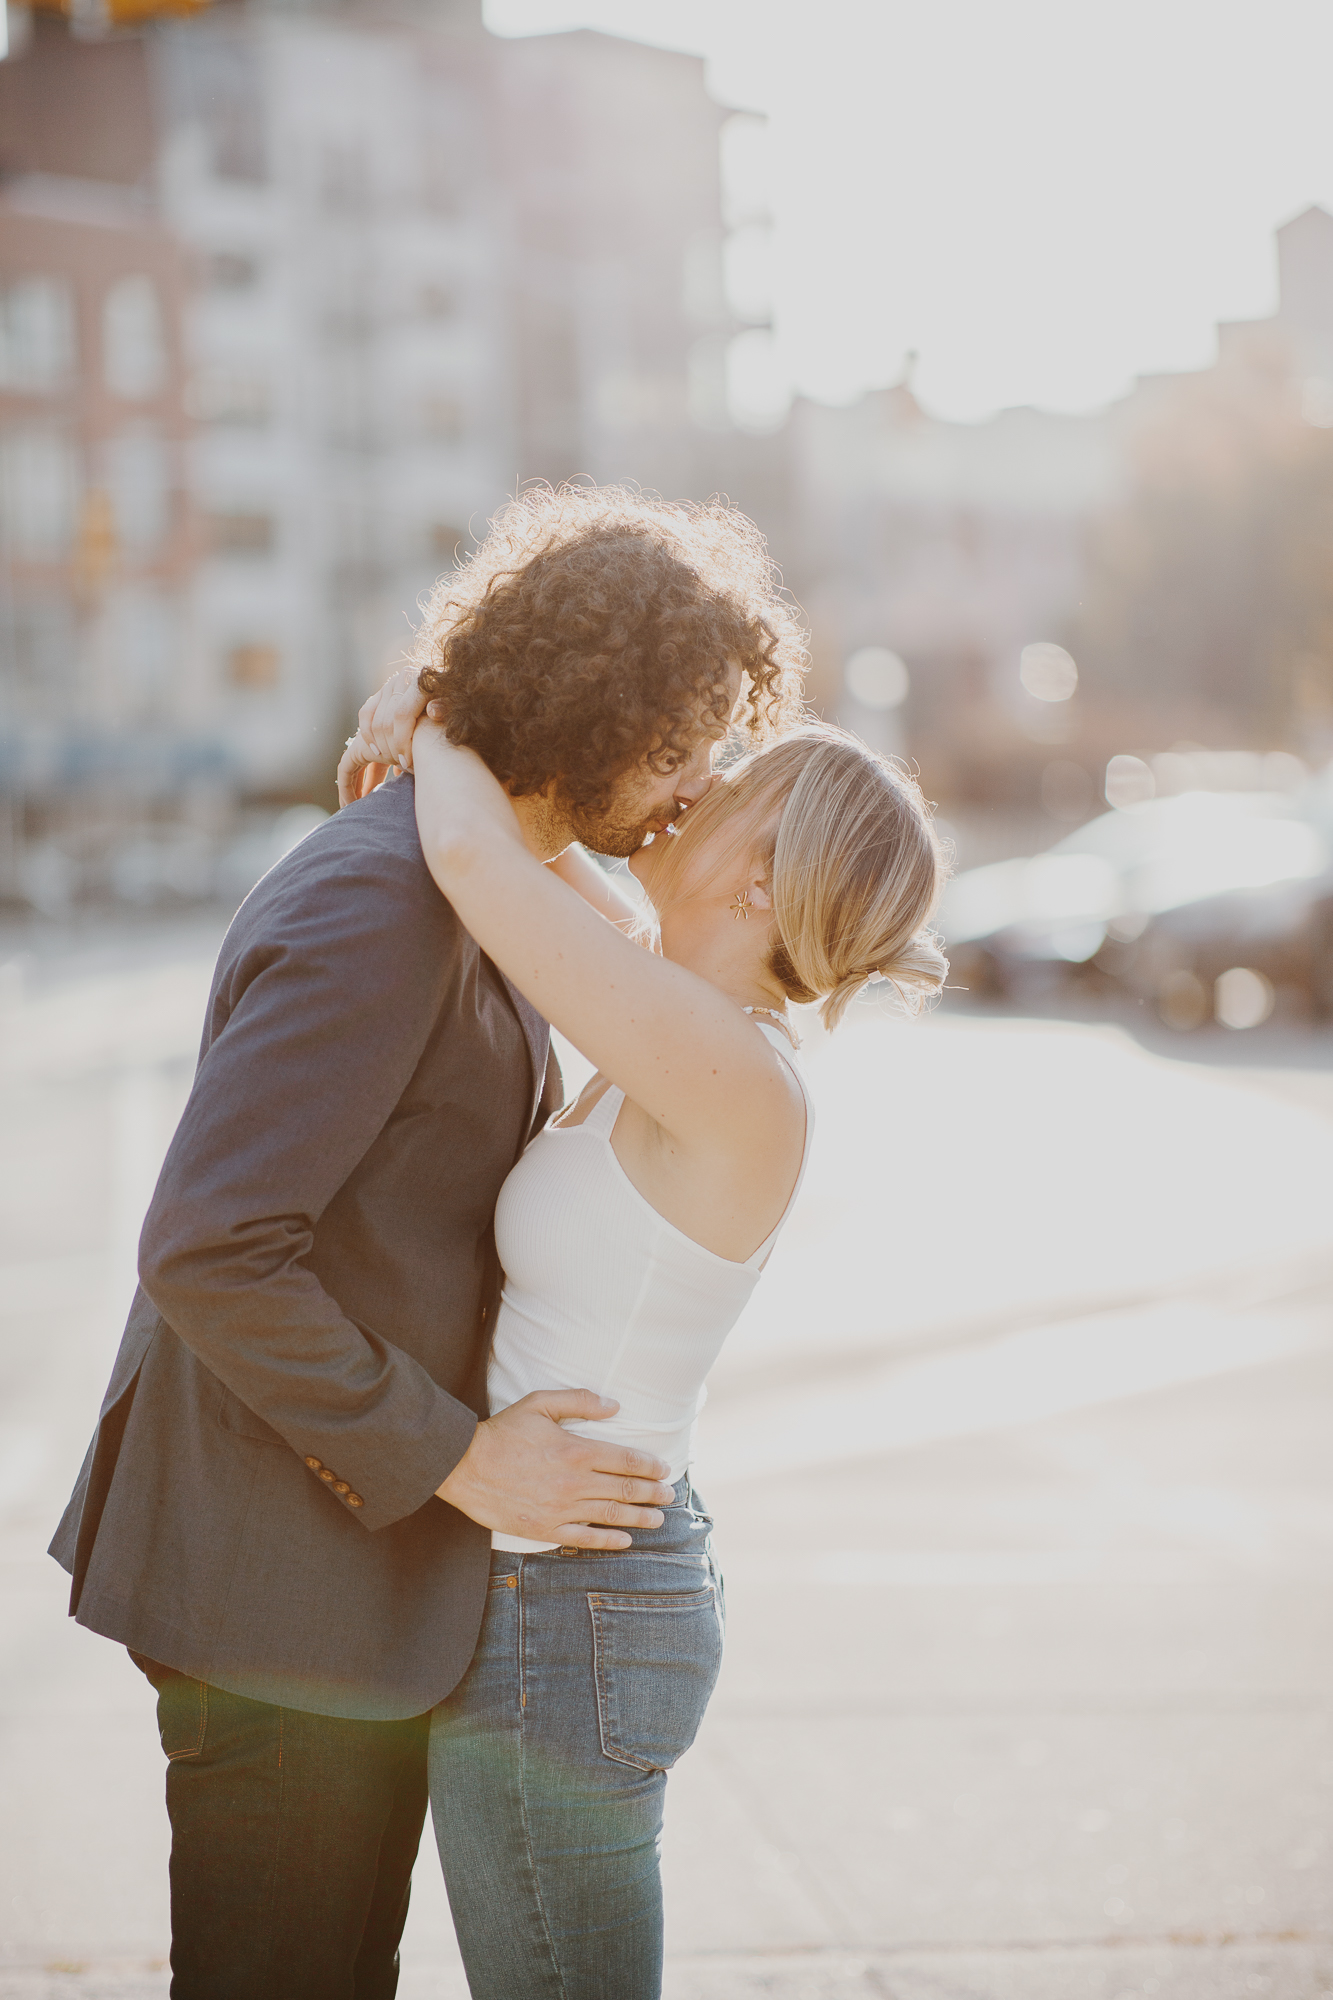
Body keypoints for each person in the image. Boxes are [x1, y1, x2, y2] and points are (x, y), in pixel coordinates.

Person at [48, 484, 806, 2000]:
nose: (689, 784)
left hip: (342, 1592)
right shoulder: (382, 904)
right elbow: (209, 1246)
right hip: (278, 1600)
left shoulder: (476, 876)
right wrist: (458, 1457)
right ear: (588, 716)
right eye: (675, 743)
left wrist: (431, 716)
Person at [338, 693, 948, 1998]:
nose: (697, 785)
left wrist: (440, 711)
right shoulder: (671, 1010)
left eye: (735, 783)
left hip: (568, 1613)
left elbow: (475, 863)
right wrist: (449, 734)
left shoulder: (726, 1072)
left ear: (764, 875)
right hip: (562, 1593)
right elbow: (541, 865)